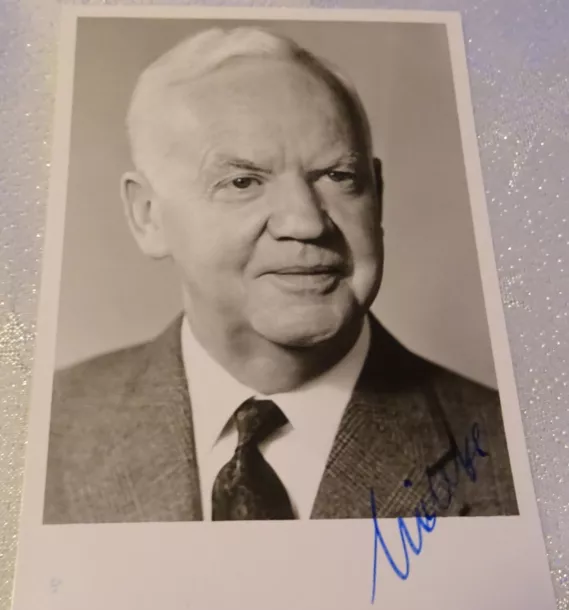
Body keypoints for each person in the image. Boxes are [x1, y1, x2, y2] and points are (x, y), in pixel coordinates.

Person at [44, 27, 518, 524]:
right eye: (243, 181)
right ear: (148, 215)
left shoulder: (511, 451)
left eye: (339, 177)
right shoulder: (48, 429)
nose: (307, 222)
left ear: (376, 195)